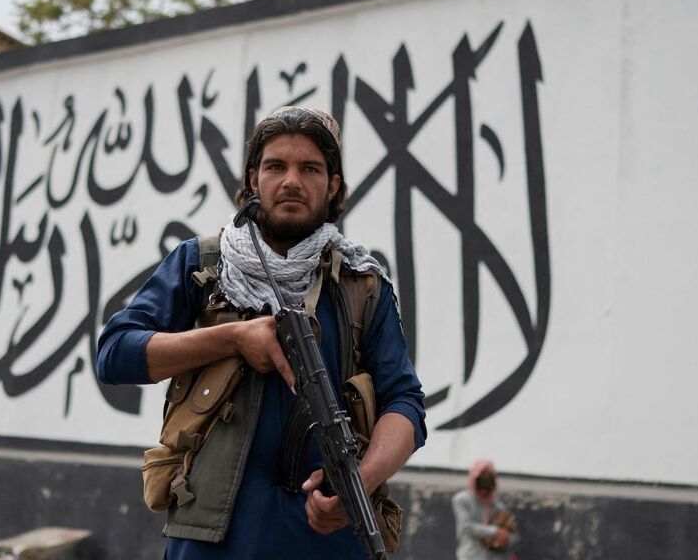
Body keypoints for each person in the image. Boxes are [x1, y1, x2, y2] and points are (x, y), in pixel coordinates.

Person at [96, 106, 426, 559]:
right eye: (276, 166)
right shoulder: (203, 265)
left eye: (310, 168)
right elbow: (114, 354)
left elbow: (405, 403)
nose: (291, 181)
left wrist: (358, 486)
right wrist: (233, 339)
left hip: (326, 541)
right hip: (211, 541)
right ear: (253, 180)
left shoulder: (361, 284)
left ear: (332, 186)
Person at [452, 459, 519, 560]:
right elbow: (466, 527)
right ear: (475, 484)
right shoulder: (462, 500)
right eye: (481, 487)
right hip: (470, 555)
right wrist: (495, 531)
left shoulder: (497, 505)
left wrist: (505, 538)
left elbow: (511, 534)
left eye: (487, 489)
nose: (484, 493)